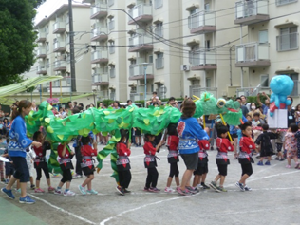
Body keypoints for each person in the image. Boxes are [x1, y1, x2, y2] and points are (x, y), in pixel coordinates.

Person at [1, 100, 42, 204]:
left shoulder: (20, 119)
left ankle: (8, 188)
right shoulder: (19, 120)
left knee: (19, 171)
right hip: (17, 150)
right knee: (24, 172)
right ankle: (23, 196)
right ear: (23, 108)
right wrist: (33, 142)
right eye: (29, 107)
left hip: (17, 150)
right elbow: (21, 137)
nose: (31, 109)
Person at [177, 99, 209, 196]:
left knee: (189, 167)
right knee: (191, 168)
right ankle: (182, 187)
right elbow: (200, 133)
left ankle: (187, 185)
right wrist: (206, 131)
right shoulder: (192, 121)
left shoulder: (180, 119)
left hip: (182, 145)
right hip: (190, 147)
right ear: (193, 111)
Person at [210, 125, 234, 192]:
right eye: (225, 133)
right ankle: (220, 186)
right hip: (224, 158)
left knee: (221, 172)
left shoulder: (217, 139)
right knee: (224, 173)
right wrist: (231, 144)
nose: (226, 134)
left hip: (218, 157)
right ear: (222, 134)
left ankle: (214, 181)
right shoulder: (225, 140)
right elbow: (231, 149)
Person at [235, 122, 255, 192]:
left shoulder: (244, 138)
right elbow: (252, 147)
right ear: (243, 131)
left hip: (242, 157)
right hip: (245, 157)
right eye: (248, 130)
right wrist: (252, 141)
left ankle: (243, 185)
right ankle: (239, 182)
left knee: (244, 172)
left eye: (251, 130)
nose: (250, 131)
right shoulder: (246, 139)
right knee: (249, 172)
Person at [164, 123, 179, 193]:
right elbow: (179, 144)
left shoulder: (169, 137)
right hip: (174, 155)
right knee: (172, 172)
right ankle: (167, 186)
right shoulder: (175, 138)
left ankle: (178, 185)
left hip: (171, 155)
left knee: (176, 171)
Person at [116, 130, 132, 196]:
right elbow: (126, 153)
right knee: (128, 176)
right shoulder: (122, 145)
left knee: (122, 175)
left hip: (120, 161)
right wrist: (128, 147)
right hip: (123, 162)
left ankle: (123, 188)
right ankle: (121, 187)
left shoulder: (118, 144)